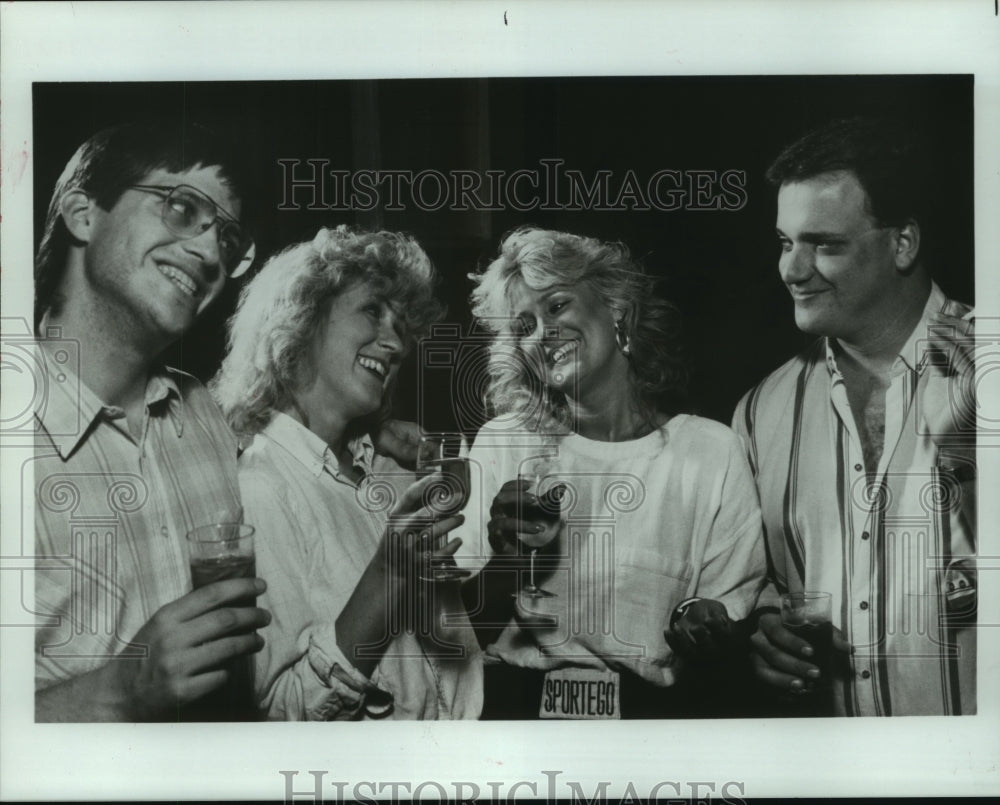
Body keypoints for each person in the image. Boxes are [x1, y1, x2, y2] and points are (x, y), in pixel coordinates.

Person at [456, 227, 766, 719]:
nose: (542, 334)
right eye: (523, 327)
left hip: (654, 730)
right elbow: (455, 625)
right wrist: (508, 563)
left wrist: (705, 625)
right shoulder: (505, 441)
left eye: (557, 306)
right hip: (515, 722)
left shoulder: (711, 452)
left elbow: (731, 626)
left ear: (616, 307)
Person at [734, 117, 977, 716]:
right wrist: (764, 629)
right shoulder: (760, 412)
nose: (792, 269)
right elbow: (757, 583)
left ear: (903, 243)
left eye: (824, 244)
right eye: (786, 242)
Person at [32, 121, 271, 721]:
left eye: (229, 238)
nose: (210, 252)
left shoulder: (203, 415)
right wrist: (121, 691)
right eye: (182, 208)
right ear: (82, 214)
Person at [212, 225, 483, 720]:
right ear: (301, 319)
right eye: (373, 311)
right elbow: (284, 714)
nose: (395, 344)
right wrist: (390, 574)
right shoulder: (262, 489)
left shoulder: (389, 471)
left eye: (402, 327)